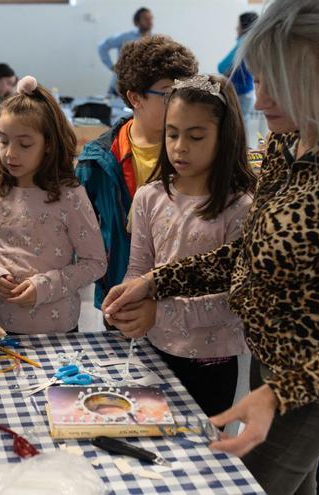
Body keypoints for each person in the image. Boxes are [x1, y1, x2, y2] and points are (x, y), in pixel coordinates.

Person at [102, 1, 319, 493]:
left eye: (279, 82)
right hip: (271, 353)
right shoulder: (288, 138)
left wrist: (278, 394)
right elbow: (252, 252)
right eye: (259, 78)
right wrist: (155, 280)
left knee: (246, 482)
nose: (261, 96)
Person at [111, 74, 256, 418]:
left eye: (195, 136)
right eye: (172, 134)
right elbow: (139, 269)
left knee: (205, 453)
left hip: (214, 362)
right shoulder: (150, 197)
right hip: (155, 350)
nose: (179, 147)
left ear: (225, 137)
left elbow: (233, 302)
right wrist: (128, 302)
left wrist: (159, 311)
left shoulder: (240, 208)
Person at [0, 76, 106, 334]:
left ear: (48, 145)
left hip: (57, 331)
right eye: (3, 140)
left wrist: (46, 286)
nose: (10, 153)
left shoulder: (70, 196)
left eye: (25, 144)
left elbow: (95, 262)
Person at [77, 35, 198, 313]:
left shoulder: (198, 152)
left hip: (184, 298)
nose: (180, 103)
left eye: (185, 91)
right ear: (135, 98)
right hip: (122, 296)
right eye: (168, 94)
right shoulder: (97, 161)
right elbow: (78, 234)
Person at [97, 7, 153, 96]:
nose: (150, 21)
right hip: (119, 89)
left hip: (140, 89)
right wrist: (111, 66)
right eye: (146, 18)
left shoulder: (154, 40)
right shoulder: (126, 37)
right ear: (137, 22)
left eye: (151, 18)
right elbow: (102, 46)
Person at [218, 12, 259, 121]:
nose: (236, 28)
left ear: (244, 26)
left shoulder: (243, 42)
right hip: (248, 93)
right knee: (242, 127)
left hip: (241, 94)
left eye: (239, 24)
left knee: (237, 129)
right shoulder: (254, 42)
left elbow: (222, 67)